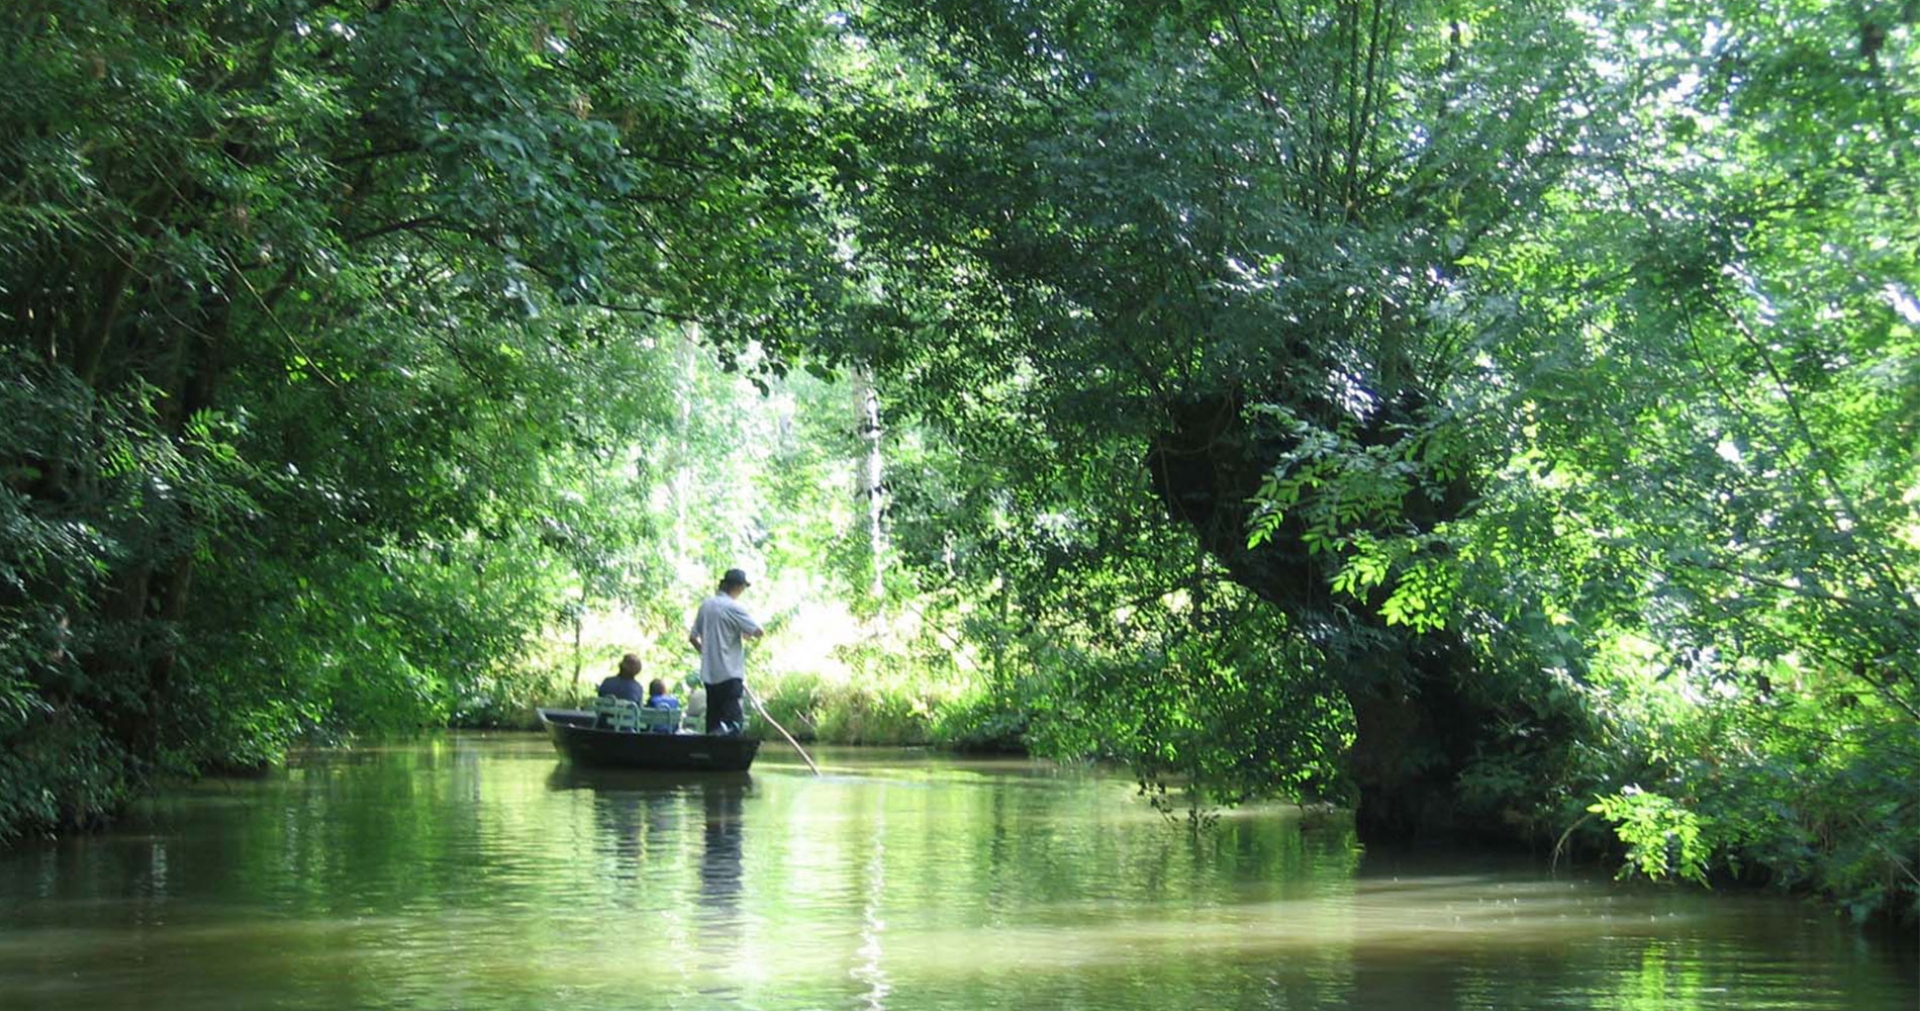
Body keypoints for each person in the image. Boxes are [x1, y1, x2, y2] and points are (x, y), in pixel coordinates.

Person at [687, 568, 763, 734]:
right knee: (733, 724)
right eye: (743, 587)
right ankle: (730, 753)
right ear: (737, 586)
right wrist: (744, 633)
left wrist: (706, 653)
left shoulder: (705, 606)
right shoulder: (733, 607)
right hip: (730, 675)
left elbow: (693, 637)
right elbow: (758, 632)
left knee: (713, 721)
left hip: (710, 676)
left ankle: (712, 754)